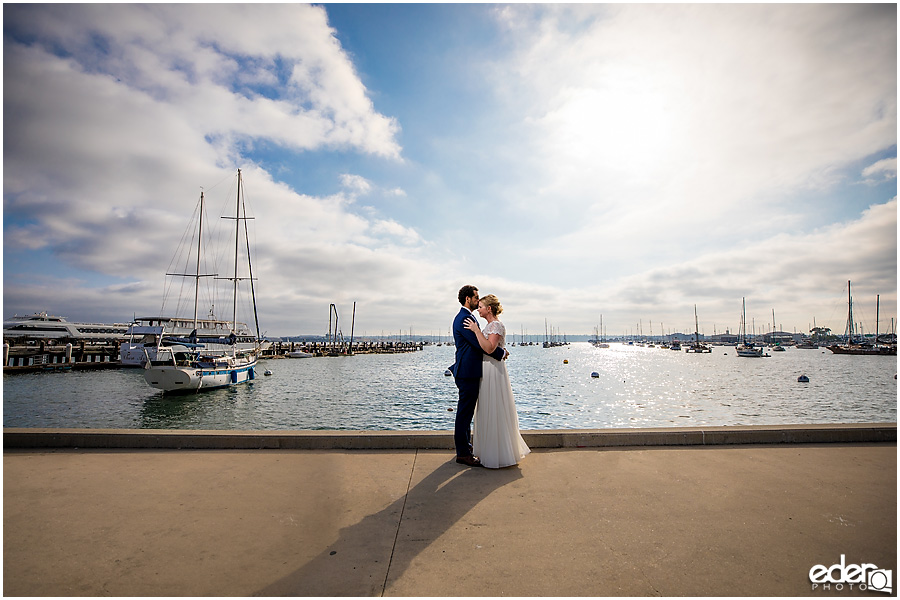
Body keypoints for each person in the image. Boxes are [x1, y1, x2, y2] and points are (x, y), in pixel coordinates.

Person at [463, 294, 530, 469]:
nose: (478, 309)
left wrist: (476, 331)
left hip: (493, 370)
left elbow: (490, 348)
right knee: (486, 408)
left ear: (489, 309)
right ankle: (488, 451)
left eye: (481, 306)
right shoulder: (489, 326)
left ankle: (498, 454)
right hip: (486, 368)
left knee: (495, 407)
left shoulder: (496, 325)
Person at [449, 285, 507, 467]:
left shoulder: (469, 317)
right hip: (467, 372)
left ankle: (465, 448)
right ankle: (463, 454)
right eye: (476, 297)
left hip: (470, 370)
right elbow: (478, 344)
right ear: (468, 299)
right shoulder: (464, 318)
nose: (477, 300)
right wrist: (501, 353)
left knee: (466, 413)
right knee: (464, 414)